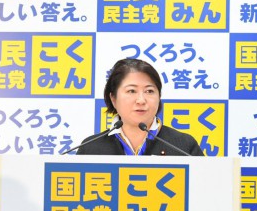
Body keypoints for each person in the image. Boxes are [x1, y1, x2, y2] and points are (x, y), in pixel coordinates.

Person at [76, 58, 204, 156]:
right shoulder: (91, 149)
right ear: (113, 98)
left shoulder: (183, 146)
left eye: (149, 91)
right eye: (131, 91)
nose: (141, 100)